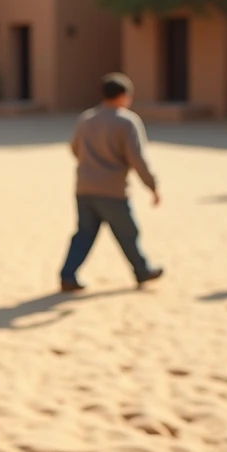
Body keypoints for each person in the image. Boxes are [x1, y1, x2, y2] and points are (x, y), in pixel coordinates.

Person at [60, 73, 164, 292]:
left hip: (84, 188)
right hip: (113, 191)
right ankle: (142, 270)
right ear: (123, 96)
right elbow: (137, 158)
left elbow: (74, 148)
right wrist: (152, 185)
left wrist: (91, 165)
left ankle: (67, 275)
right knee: (128, 233)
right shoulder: (126, 121)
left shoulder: (86, 118)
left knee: (84, 234)